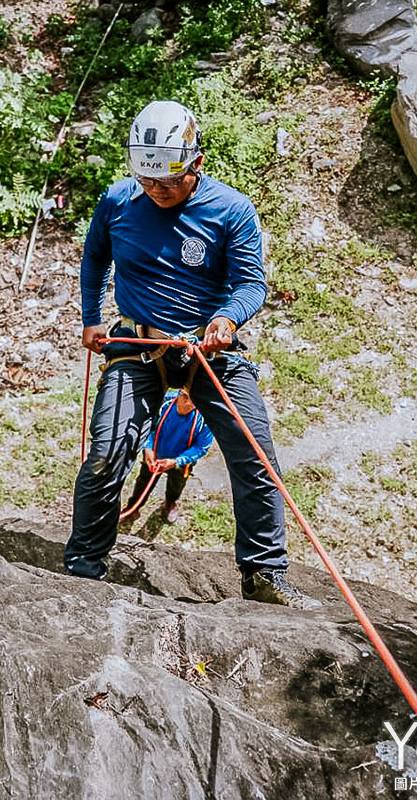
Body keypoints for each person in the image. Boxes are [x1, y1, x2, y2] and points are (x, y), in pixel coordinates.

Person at [64, 99, 321, 610]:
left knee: (256, 456)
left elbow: (251, 284)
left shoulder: (231, 210)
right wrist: (93, 318)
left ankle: (263, 573)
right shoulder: (118, 201)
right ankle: (83, 565)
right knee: (109, 448)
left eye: (167, 182)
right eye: (147, 181)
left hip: (206, 345)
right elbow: (95, 259)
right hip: (138, 342)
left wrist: (226, 319)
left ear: (196, 164)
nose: (155, 192)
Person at [120, 389, 214, 525]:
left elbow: (200, 447)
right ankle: (133, 507)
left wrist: (177, 461)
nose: (188, 403)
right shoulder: (163, 402)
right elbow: (148, 426)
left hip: (181, 462)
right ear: (179, 392)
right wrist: (147, 448)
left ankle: (170, 502)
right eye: (185, 397)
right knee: (143, 482)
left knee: (176, 485)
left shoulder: (206, 417)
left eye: (194, 399)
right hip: (154, 456)